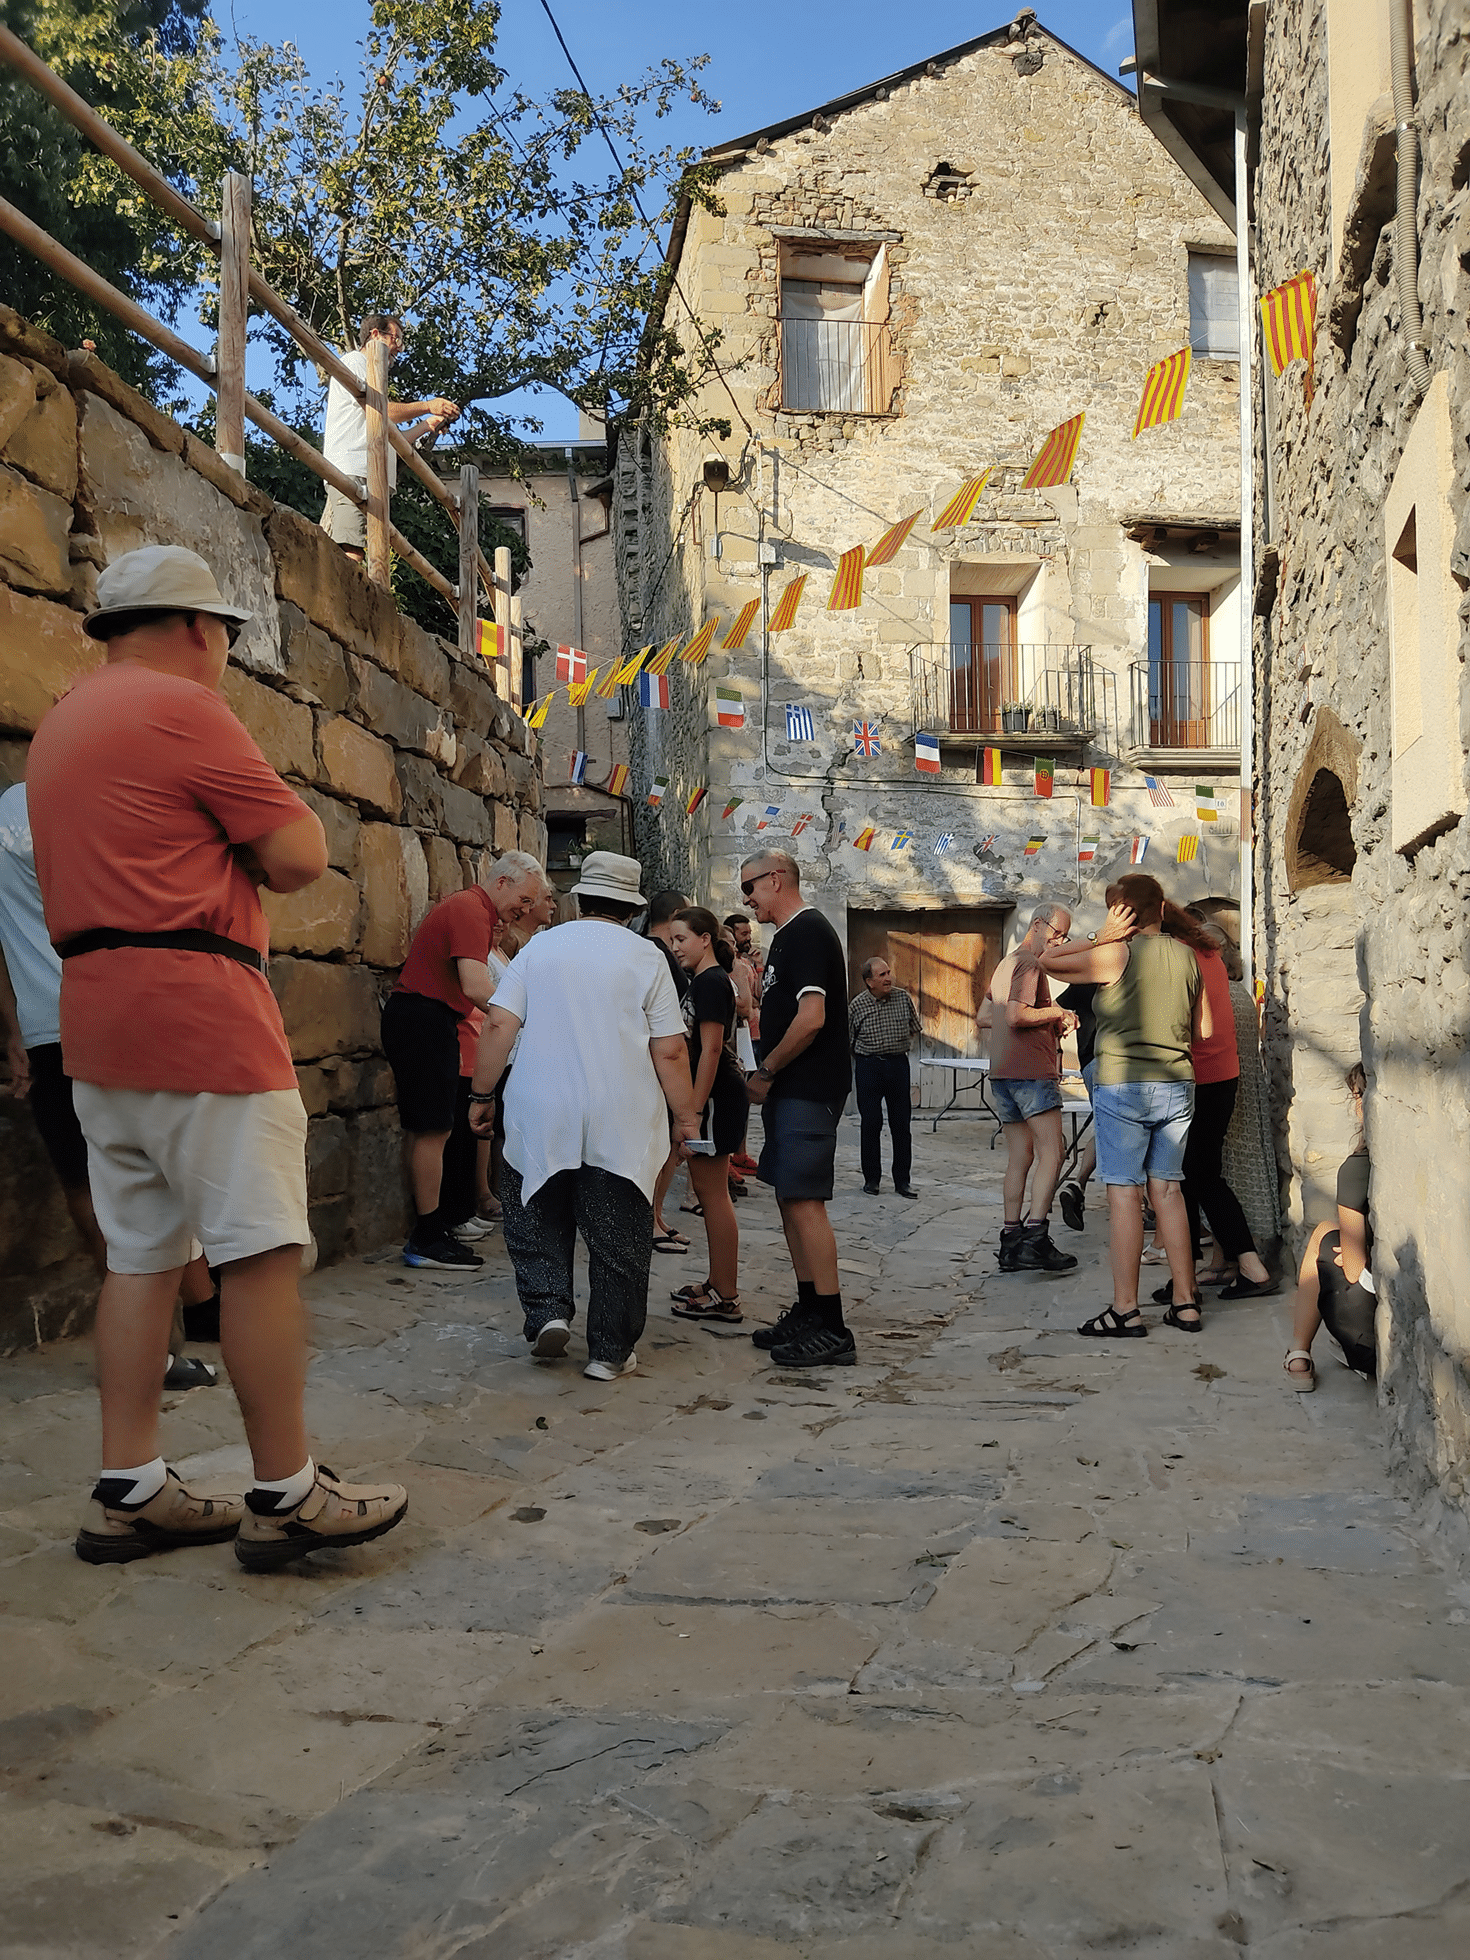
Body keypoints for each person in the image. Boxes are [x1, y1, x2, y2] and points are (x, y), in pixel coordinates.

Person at [26, 544, 407, 1569]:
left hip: (94, 1017)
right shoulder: (183, 708)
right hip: (199, 1005)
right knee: (260, 1250)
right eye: (227, 638)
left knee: (141, 1256)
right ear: (201, 628)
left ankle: (130, 1485)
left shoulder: (62, 724)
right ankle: (284, 1492)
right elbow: (298, 855)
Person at [0, 782, 219, 1388]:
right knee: (154, 1170)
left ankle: (201, 1310)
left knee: (86, 1178)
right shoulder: (99, 799)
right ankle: (158, 1347)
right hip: (123, 1011)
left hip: (50, 1024)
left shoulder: (8, 812)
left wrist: (16, 1027)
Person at [468, 852, 699, 1381]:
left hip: (540, 1107)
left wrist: (481, 1096)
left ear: (579, 899)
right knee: (618, 1235)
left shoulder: (539, 948)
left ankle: (548, 1310)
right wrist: (687, 1117)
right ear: (632, 907)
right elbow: (669, 1050)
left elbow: (499, 1025)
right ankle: (610, 1350)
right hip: (621, 1116)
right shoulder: (647, 957)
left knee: (535, 1217)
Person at [1041, 874, 1210, 1338]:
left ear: (1121, 912)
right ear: (1161, 907)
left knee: (1124, 1196)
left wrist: (1101, 935)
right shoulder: (1188, 956)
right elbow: (1206, 1030)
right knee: (1170, 1191)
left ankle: (1126, 1309)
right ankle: (1186, 1302)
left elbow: (1046, 958)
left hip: (1123, 1084)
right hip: (1177, 1084)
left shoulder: (1116, 953)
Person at [380, 851, 549, 1271]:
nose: (525, 910)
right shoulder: (471, 909)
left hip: (428, 1018)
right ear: (502, 883)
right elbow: (476, 986)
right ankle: (427, 1234)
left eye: (531, 904)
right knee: (432, 1129)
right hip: (423, 1018)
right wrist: (529, 1017)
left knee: (435, 1128)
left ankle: (435, 1227)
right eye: (525, 900)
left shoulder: (470, 909)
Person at [740, 849, 855, 1367]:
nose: (747, 898)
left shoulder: (807, 931)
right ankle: (810, 1308)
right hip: (792, 1088)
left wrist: (766, 1071)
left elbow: (812, 1018)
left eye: (751, 887)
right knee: (790, 1197)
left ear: (777, 878)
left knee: (806, 1201)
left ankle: (832, 1327)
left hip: (807, 1087)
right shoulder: (786, 936)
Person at [1162, 918, 1275, 1301]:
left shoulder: (1189, 969)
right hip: (1221, 1083)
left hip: (1198, 1082)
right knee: (1195, 1178)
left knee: (1190, 1178)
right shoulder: (1217, 973)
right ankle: (1204, 1274)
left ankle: (1232, 1271)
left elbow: (1190, 1030)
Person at [986, 905, 1079, 1274]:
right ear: (1037, 924)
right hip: (1030, 1073)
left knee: (1019, 1157)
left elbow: (985, 1016)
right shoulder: (1029, 964)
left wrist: (1049, 1017)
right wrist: (1056, 1014)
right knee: (1053, 1152)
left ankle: (1011, 1241)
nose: (1058, 942)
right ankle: (1036, 1237)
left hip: (1003, 1073)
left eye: (1064, 938)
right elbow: (1016, 1016)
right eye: (1057, 934)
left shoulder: (1004, 965)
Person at [320, 314, 460, 561]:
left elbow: (393, 438)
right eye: (396, 339)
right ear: (375, 335)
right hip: (353, 470)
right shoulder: (355, 361)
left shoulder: (372, 376)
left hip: (370, 476)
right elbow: (382, 410)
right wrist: (428, 406)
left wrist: (427, 426)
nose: (399, 348)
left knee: (368, 552)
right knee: (352, 549)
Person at [666, 907, 746, 1320]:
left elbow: (711, 1049)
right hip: (713, 1096)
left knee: (712, 1196)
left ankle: (726, 1295)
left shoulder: (711, 982)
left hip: (715, 1097)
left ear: (705, 939)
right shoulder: (707, 980)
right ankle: (718, 1280)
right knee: (708, 1193)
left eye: (682, 939)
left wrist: (692, 1112)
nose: (676, 946)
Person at [1286, 1065, 1374, 1389]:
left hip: (1368, 1340)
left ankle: (1299, 1353)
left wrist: (1357, 1250)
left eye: (1357, 1097)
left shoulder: (1357, 1169)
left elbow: (1353, 1270)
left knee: (1324, 1232)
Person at [1219, 934, 1282, 1253]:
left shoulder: (1222, 996)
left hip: (1232, 1094)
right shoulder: (1236, 994)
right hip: (1243, 1090)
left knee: (1228, 1179)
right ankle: (1228, 1258)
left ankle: (1237, 1257)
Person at [643, 889, 692, 1254]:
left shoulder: (651, 951)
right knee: (660, 1146)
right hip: (656, 1061)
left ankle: (656, 1215)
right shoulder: (655, 954)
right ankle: (650, 1217)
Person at [848, 956, 922, 1198]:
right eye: (881, 975)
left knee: (901, 1124)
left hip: (897, 1065)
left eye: (888, 972)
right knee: (871, 1123)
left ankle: (903, 1181)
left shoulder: (902, 998)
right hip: (869, 1067)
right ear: (869, 982)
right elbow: (848, 1040)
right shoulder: (857, 1006)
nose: (888, 978)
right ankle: (872, 1179)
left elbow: (914, 1028)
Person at [1053, 976, 1099, 1232]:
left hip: (1090, 1059)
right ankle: (1146, 1204)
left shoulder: (1086, 978)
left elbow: (1057, 1007)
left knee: (1105, 1125)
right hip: (1118, 1060)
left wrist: (1062, 1036)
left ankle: (1078, 1185)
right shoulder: (1130, 970)